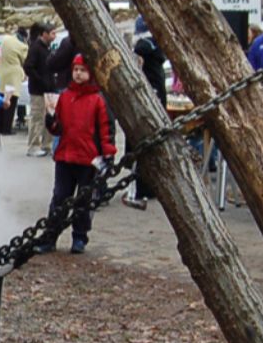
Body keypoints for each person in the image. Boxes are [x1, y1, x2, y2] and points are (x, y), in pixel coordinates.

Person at [36, 55, 113, 254]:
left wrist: (108, 154)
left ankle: (79, 237)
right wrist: (50, 121)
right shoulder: (65, 97)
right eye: (76, 70)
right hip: (65, 156)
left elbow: (105, 130)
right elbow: (58, 128)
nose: (78, 74)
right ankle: (50, 236)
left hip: (88, 159)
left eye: (82, 70)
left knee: (83, 201)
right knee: (59, 198)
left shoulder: (98, 100)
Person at [125, 18, 168, 209]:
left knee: (144, 143)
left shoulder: (145, 45)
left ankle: (142, 186)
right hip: (154, 95)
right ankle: (144, 186)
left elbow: (139, 54)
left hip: (150, 96)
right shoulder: (152, 46)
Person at [21, 21, 69, 157]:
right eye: (52, 33)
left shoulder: (48, 48)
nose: (55, 36)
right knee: (37, 117)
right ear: (44, 34)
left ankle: (46, 145)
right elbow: (28, 67)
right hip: (38, 90)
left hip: (49, 89)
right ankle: (33, 145)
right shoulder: (35, 48)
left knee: (49, 117)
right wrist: (40, 80)